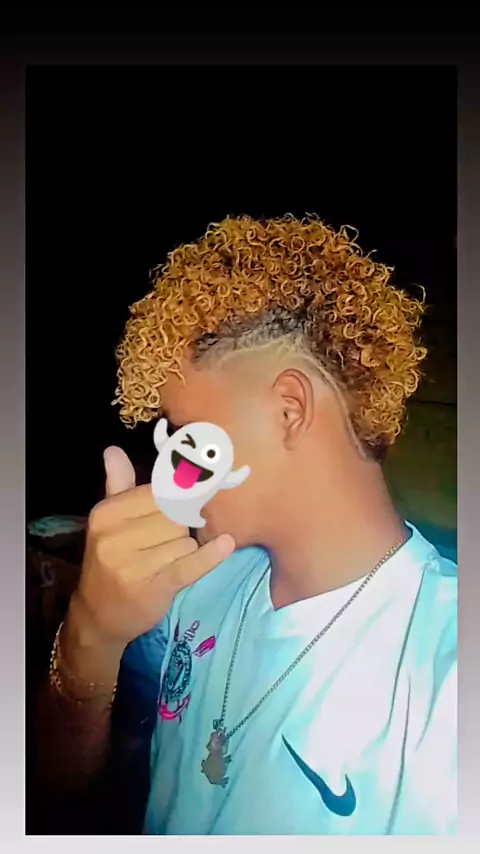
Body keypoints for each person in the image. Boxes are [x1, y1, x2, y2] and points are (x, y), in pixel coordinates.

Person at [32, 214, 457, 835]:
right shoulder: (194, 582)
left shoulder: (446, 670)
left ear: (289, 411)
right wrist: (90, 636)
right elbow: (51, 790)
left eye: (185, 435)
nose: (168, 472)